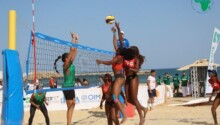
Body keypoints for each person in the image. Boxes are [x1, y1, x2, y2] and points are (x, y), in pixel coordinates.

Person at [96, 48, 127, 124]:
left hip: (119, 77)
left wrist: (101, 61)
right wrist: (114, 35)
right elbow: (115, 44)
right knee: (109, 118)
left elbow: (110, 62)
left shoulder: (118, 57)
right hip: (118, 78)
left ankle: (124, 114)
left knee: (114, 98)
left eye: (117, 50)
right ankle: (123, 112)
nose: (116, 50)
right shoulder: (119, 57)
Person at [54, 32, 78, 125]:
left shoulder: (71, 63)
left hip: (71, 86)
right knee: (70, 106)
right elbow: (72, 51)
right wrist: (72, 39)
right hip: (67, 87)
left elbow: (74, 51)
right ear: (66, 59)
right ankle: (69, 123)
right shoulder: (66, 65)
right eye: (68, 57)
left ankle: (69, 123)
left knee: (73, 105)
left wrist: (76, 39)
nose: (70, 57)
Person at [123, 46, 147, 125]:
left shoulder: (136, 59)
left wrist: (131, 69)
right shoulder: (126, 58)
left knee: (134, 98)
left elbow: (136, 70)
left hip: (133, 78)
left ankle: (141, 118)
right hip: (127, 78)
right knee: (128, 99)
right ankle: (143, 108)